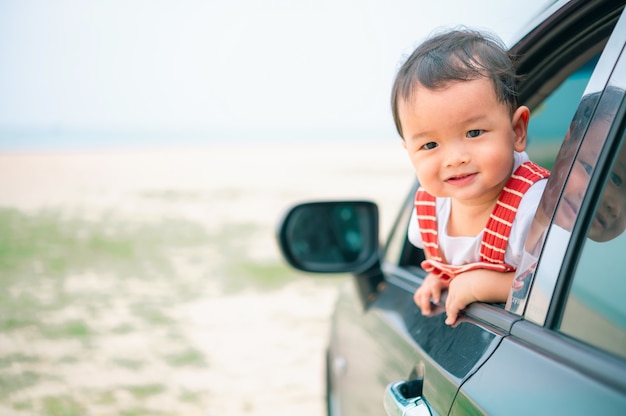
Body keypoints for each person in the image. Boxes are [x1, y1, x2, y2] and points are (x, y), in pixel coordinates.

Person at [390, 28, 549, 326]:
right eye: (430, 145)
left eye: (474, 133)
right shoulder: (429, 209)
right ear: (409, 151)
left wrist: (480, 286)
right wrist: (440, 278)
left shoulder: (532, 207)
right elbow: (452, 263)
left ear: (517, 131)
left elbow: (553, 288)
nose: (454, 158)